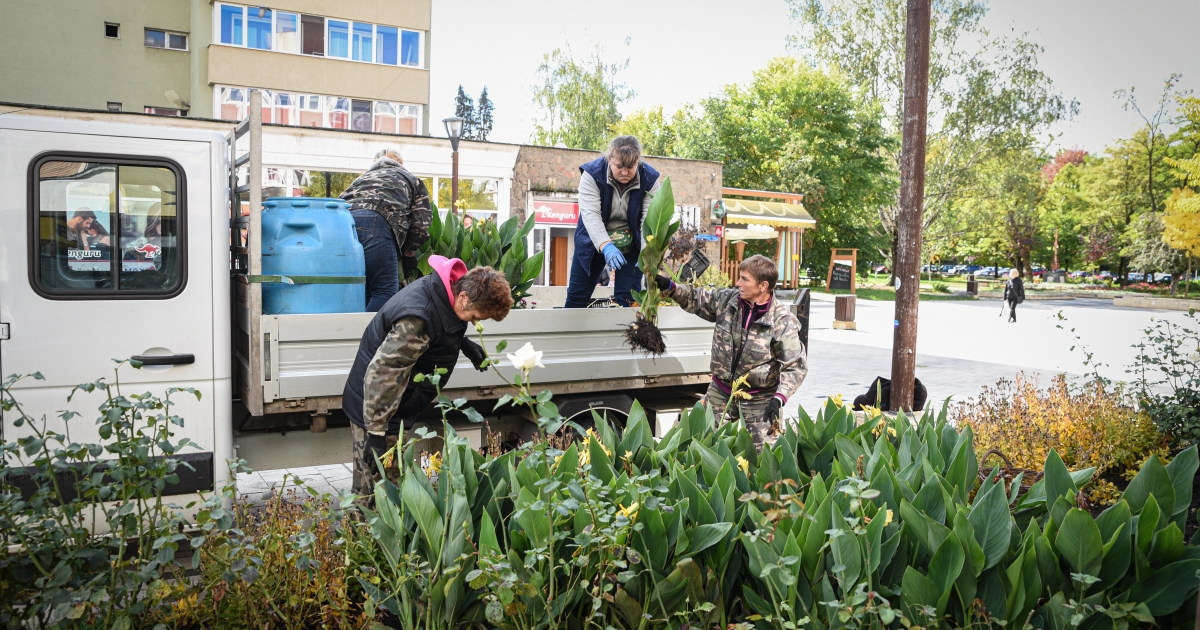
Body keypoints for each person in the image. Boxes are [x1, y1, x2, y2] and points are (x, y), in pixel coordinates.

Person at [342, 255, 513, 495]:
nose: (475, 323)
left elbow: (438, 323)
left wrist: (462, 343)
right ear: (463, 297)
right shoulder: (417, 321)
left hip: (392, 403)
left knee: (384, 482)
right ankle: (364, 529)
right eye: (475, 317)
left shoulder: (447, 290)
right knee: (379, 489)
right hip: (376, 407)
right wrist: (377, 433)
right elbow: (383, 374)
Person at [653, 255, 807, 449]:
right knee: (700, 446)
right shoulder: (727, 301)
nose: (738, 283)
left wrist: (779, 398)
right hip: (720, 393)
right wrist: (671, 287)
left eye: (744, 279)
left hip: (760, 399)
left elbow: (796, 367)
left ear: (763, 286)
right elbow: (696, 298)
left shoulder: (782, 321)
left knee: (768, 458)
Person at [564, 136, 663, 308]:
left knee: (628, 300)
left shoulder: (650, 179)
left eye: (630, 167)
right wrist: (606, 245)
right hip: (592, 240)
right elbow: (591, 215)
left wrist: (647, 253)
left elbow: (649, 219)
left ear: (638, 162)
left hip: (632, 243)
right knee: (576, 298)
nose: (624, 172)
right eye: (619, 167)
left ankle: (627, 334)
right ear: (609, 159)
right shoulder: (592, 175)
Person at [340, 149, 432, 312]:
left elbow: (340, 202)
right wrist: (409, 253)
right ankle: (367, 336)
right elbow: (421, 223)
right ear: (400, 163)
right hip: (376, 221)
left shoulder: (361, 179)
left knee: (364, 289)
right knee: (385, 291)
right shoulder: (410, 179)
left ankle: (356, 334)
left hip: (343, 224)